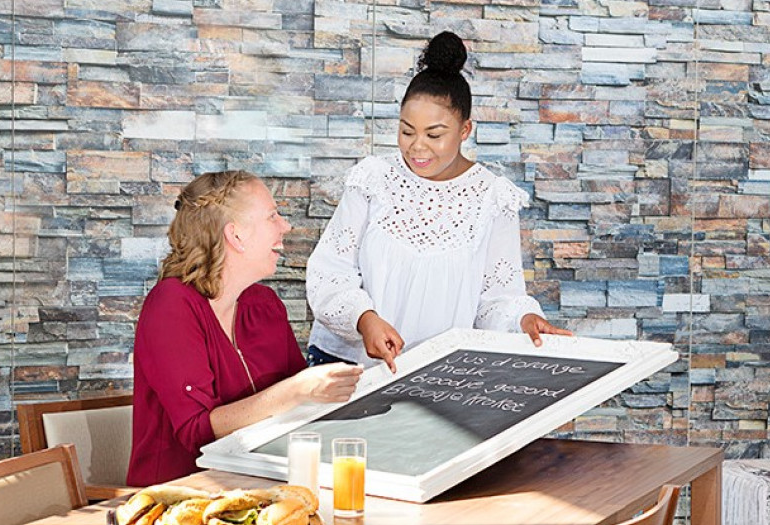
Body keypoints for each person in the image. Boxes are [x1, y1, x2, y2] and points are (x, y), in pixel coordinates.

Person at [306, 31, 572, 374]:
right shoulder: (372, 179)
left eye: (434, 134)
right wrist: (364, 319)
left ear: (465, 130)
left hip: (436, 374)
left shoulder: (493, 198)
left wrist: (525, 318)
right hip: (348, 364)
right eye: (406, 131)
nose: (417, 147)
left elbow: (496, 299)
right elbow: (330, 272)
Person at [128, 170, 363, 486]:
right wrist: (299, 389)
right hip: (181, 500)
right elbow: (196, 431)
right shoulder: (171, 305)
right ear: (236, 235)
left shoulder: (264, 305)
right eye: (272, 216)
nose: (286, 226)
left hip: (263, 487)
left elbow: (302, 409)